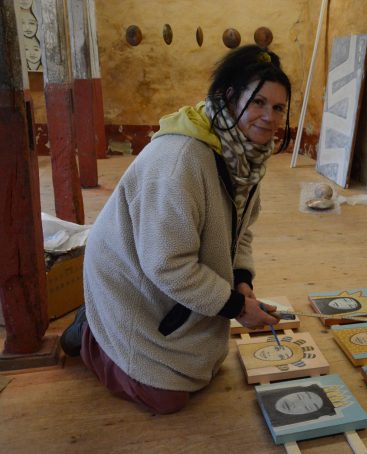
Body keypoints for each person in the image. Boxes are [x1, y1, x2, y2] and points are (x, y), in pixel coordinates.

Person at [60, 45, 292, 414]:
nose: (269, 117)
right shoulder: (181, 159)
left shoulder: (244, 155)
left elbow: (242, 231)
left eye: (278, 108)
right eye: (259, 102)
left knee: (205, 368)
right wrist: (235, 306)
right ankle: (91, 331)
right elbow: (167, 264)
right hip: (127, 277)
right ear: (230, 97)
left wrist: (242, 282)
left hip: (168, 272)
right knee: (165, 399)